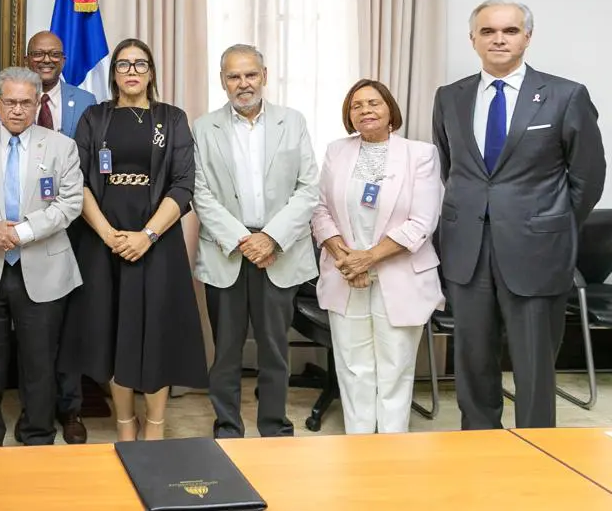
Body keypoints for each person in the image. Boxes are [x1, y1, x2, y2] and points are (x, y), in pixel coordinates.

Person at [433, 0, 605, 430]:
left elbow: (587, 175)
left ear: (527, 37)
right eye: (488, 31)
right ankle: (478, 442)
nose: (499, 39)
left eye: (509, 31)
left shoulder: (565, 95)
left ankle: (538, 451)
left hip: (536, 250)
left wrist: (554, 224)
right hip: (467, 251)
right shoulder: (450, 97)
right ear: (472, 39)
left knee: (533, 364)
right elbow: (451, 165)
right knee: (472, 360)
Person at [67, 38, 208, 442]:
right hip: (103, 241)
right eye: (124, 64)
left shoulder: (172, 118)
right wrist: (109, 235)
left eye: (140, 64)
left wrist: (146, 235)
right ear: (113, 73)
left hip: (157, 243)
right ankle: (125, 425)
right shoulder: (95, 118)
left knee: (156, 332)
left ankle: (156, 426)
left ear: (151, 72)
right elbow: (76, 181)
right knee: (113, 331)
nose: (132, 71)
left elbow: (184, 184)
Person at [0, 67, 84, 447]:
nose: (18, 110)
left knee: (39, 362)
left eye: (27, 102)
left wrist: (21, 232)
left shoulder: (61, 146)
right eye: (10, 102)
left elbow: (70, 203)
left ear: (38, 103)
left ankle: (37, 435)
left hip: (43, 266)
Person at [192, 44, 319, 438]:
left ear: (264, 76)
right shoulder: (203, 127)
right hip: (226, 251)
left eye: (250, 75)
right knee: (226, 353)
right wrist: (243, 239)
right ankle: (228, 427)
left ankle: (274, 427)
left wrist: (271, 238)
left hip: (279, 253)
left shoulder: (292, 122)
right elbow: (200, 193)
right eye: (234, 76)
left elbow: (308, 188)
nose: (243, 84)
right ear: (223, 81)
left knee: (274, 350)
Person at [313, 79, 445, 434]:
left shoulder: (420, 154)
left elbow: (422, 221)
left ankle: (391, 447)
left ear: (390, 111)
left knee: (394, 368)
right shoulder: (336, 151)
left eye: (374, 103)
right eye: (356, 106)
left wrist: (367, 258)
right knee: (354, 368)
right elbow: (319, 210)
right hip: (345, 275)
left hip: (400, 275)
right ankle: (358, 444)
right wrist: (346, 259)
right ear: (349, 116)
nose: (366, 110)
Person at [0, 30, 97, 444]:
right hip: (9, 239)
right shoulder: (4, 100)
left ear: (64, 58)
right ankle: (24, 413)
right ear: (27, 58)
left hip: (71, 234)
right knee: (25, 337)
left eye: (54, 54)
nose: (46, 60)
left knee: (62, 331)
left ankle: (68, 409)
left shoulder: (84, 102)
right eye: (39, 54)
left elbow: (83, 176)